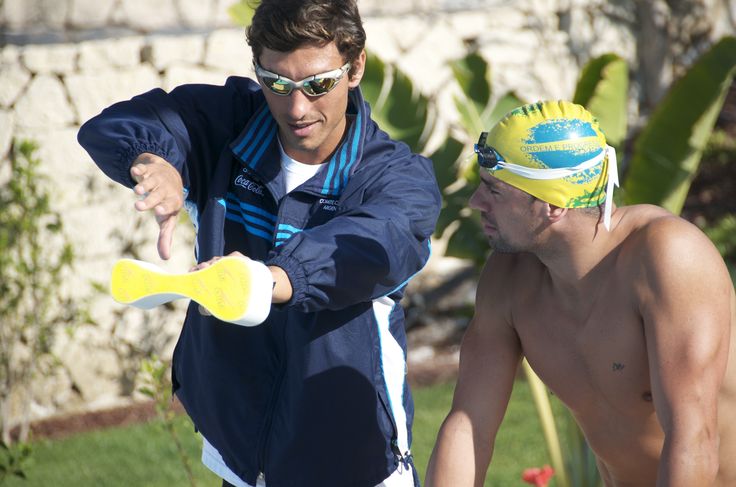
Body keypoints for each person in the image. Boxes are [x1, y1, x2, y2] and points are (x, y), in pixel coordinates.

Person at [77, 1, 441, 486]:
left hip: (351, 455)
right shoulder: (225, 126)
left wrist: (266, 282)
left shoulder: (394, 176)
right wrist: (153, 159)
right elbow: (115, 125)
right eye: (276, 84)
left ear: (355, 68)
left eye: (317, 85)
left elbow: (377, 241)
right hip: (241, 454)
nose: (296, 108)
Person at [425, 100, 736, 486]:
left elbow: (694, 436)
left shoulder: (666, 258)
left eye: (494, 190)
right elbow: (469, 425)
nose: (476, 203)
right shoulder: (509, 278)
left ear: (553, 205)